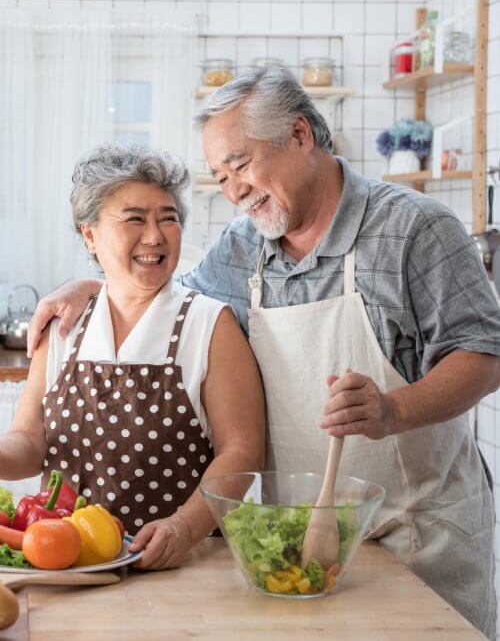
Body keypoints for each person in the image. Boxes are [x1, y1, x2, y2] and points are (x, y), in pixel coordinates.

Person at [28, 66, 500, 637]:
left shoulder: (415, 228)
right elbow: (166, 292)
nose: (234, 191)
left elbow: (485, 352)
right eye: (220, 176)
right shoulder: (244, 243)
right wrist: (96, 284)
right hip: (298, 538)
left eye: (241, 164)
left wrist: (392, 411)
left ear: (301, 136)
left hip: (417, 531)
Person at [6, 143, 265, 570]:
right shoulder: (64, 328)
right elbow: (31, 441)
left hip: (182, 565)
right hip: (68, 564)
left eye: (169, 218)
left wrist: (183, 527)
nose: (155, 235)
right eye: (134, 219)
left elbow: (243, 451)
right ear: (89, 235)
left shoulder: (209, 324)